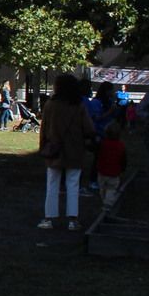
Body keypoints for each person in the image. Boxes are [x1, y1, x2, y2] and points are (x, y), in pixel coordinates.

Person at [38, 73, 95, 230]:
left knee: (52, 184)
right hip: (75, 149)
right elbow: (89, 128)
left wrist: (43, 147)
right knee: (73, 184)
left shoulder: (50, 105)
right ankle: (73, 220)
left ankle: (48, 218)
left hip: (54, 148)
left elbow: (44, 129)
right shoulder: (79, 105)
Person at [95, 121, 127, 210]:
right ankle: (108, 203)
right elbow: (123, 159)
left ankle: (105, 201)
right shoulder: (121, 146)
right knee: (111, 189)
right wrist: (122, 169)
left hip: (102, 171)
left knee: (102, 188)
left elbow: (97, 153)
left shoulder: (102, 144)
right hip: (114, 172)